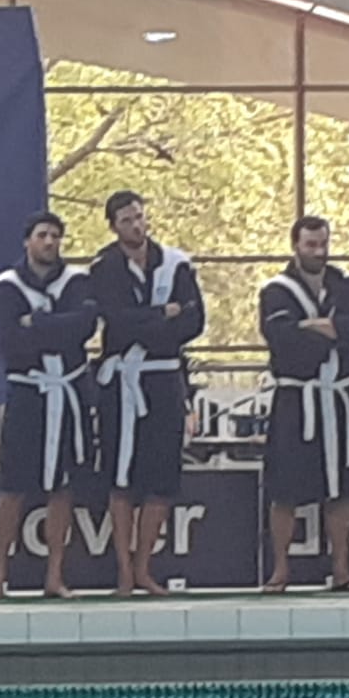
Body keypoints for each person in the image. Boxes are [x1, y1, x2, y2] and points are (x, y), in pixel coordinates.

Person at [86, 191, 205, 596]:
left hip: (164, 379)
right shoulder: (103, 268)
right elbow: (115, 320)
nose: (136, 225)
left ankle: (143, 567)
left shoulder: (176, 264)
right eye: (126, 220)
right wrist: (162, 314)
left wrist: (151, 323)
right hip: (123, 382)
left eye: (139, 216)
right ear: (113, 226)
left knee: (162, 478)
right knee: (121, 478)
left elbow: (193, 321)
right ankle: (123, 569)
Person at [0, 212, 100, 599]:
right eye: (42, 235)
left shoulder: (78, 281)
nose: (49, 242)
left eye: (55, 235)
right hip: (28, 393)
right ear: (27, 241)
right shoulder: (7, 286)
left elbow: (84, 327)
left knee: (63, 488)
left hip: (67, 392)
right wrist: (57, 326)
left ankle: (55, 575)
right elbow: (10, 342)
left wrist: (36, 323)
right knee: (12, 486)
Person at [260, 216, 349, 592]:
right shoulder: (276, 292)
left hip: (338, 399)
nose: (318, 251)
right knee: (285, 489)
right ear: (295, 245)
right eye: (311, 244)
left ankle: (342, 569)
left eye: (323, 243)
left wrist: (319, 327)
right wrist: (338, 331)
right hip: (297, 399)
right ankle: (280, 570)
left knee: (341, 487)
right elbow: (282, 338)